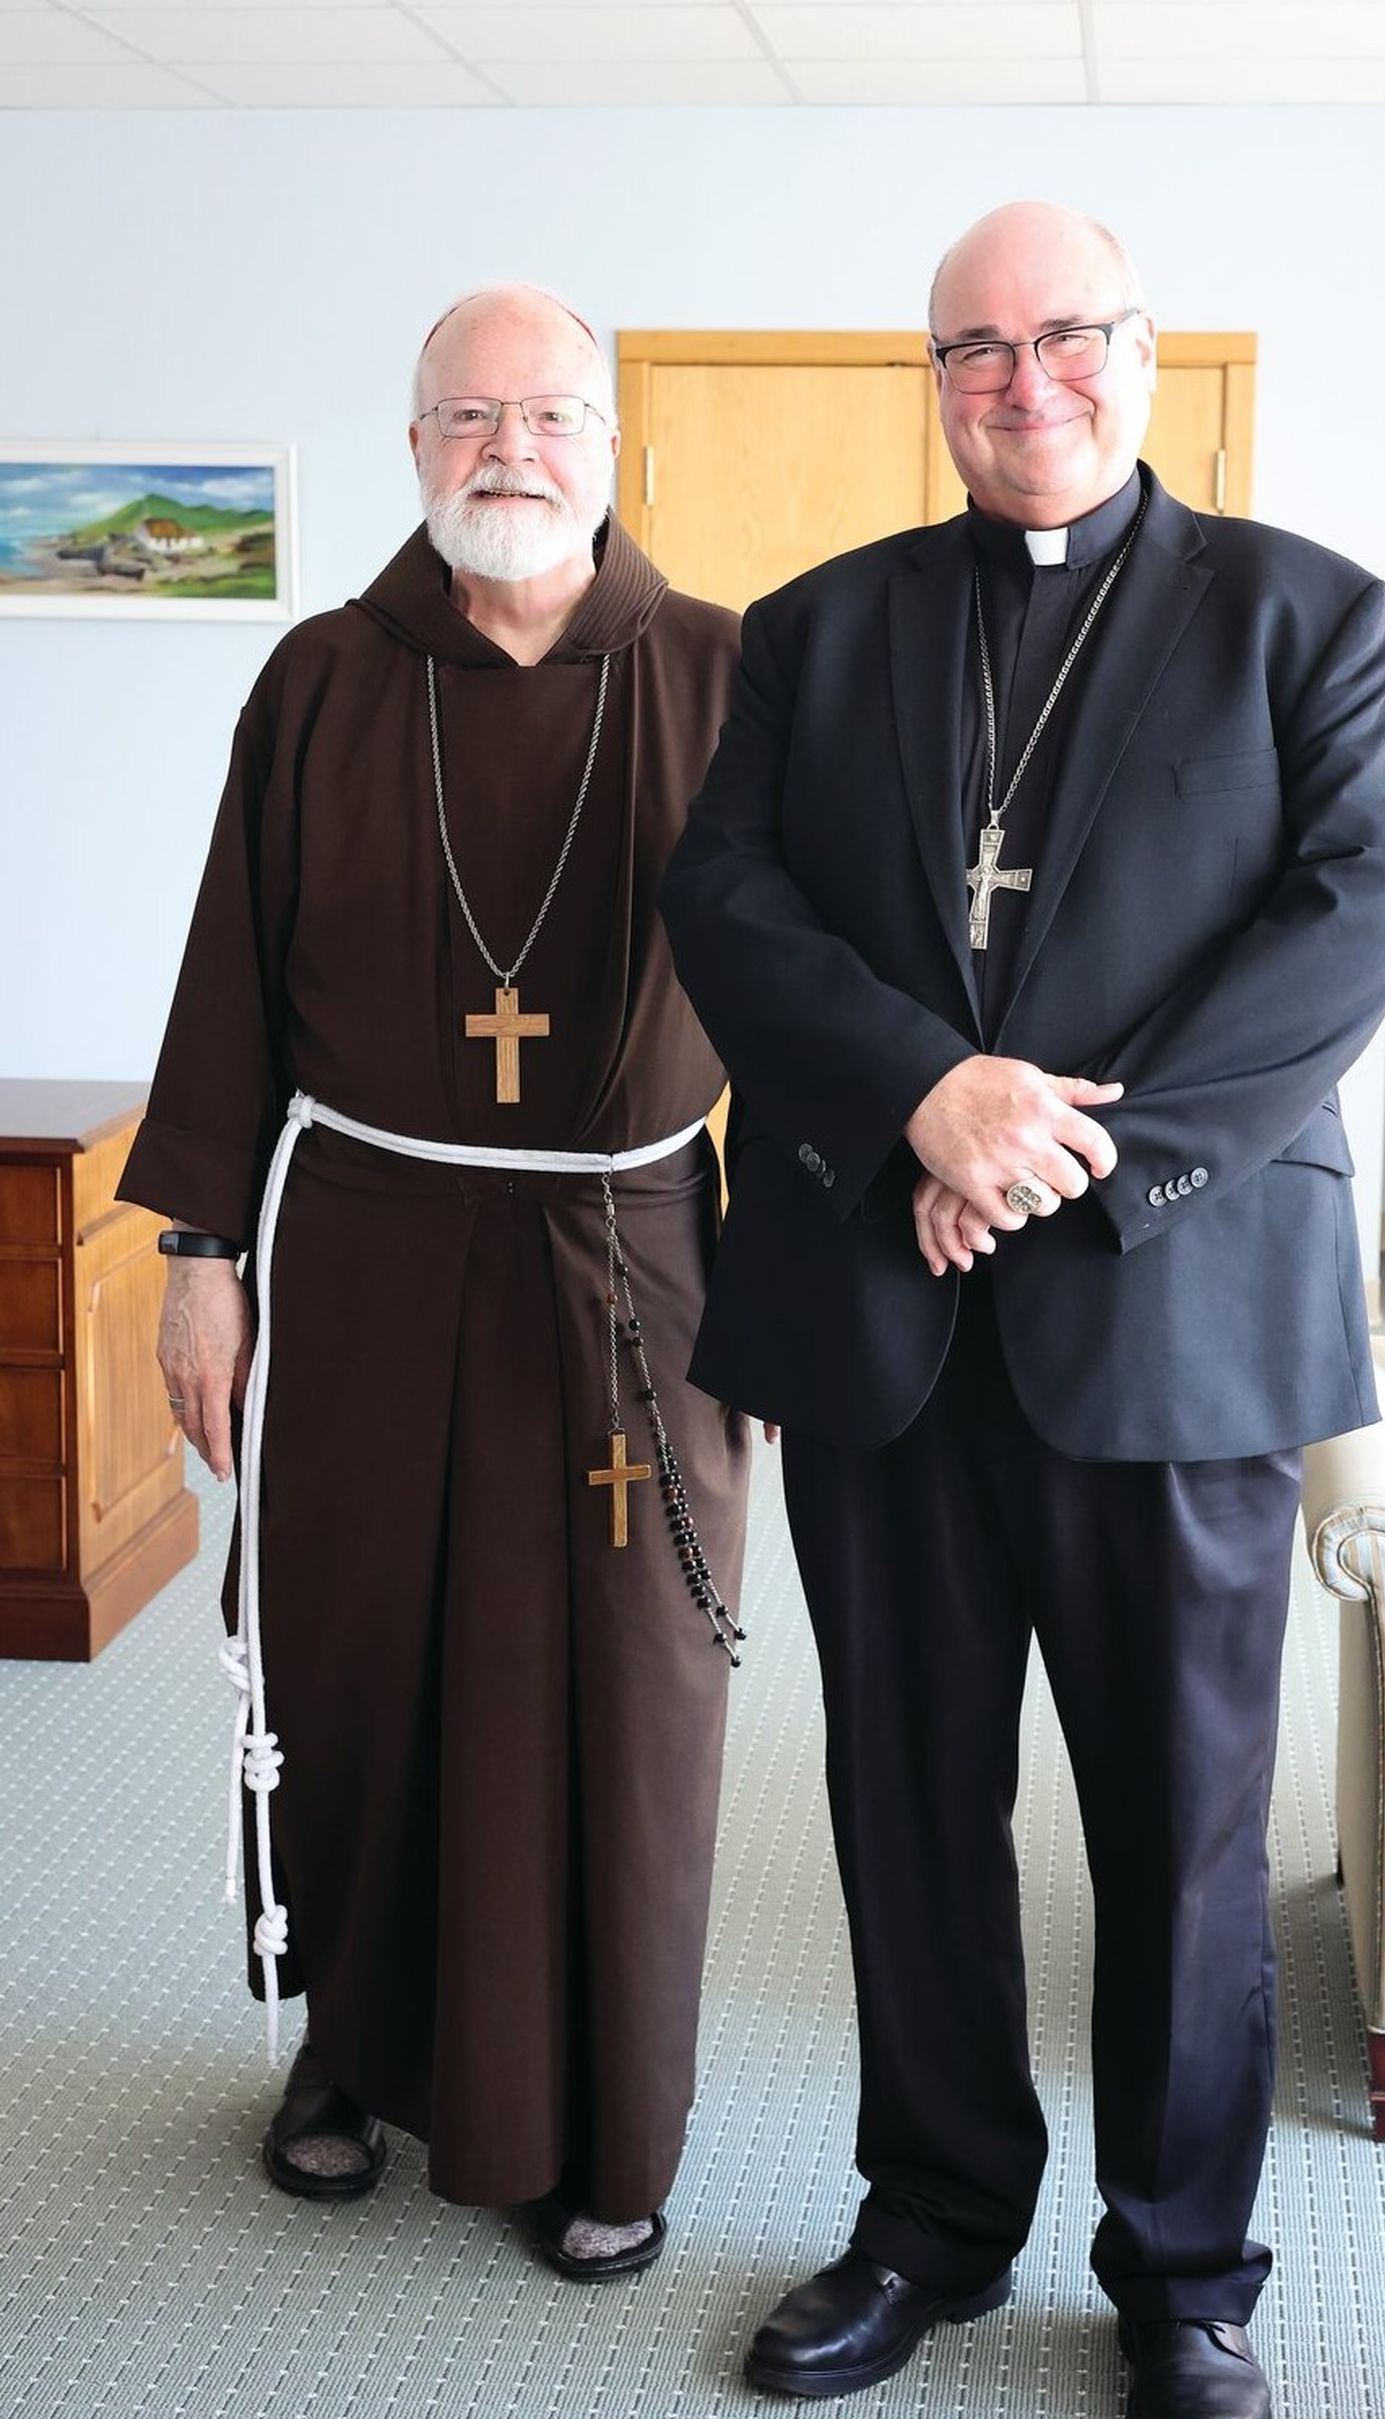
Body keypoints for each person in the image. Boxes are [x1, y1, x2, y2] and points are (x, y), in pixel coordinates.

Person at [660, 202, 1385, 2417]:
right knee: (904, 1797)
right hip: (884, 1325)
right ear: (934, 381)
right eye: (972, 351)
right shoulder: (814, 634)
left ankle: (1183, 2275)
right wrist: (925, 1097)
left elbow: (1343, 926)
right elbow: (727, 902)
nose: (1021, 383)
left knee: (1182, 1827)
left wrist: (1062, 1150)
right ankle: (928, 2224)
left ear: (1139, 349)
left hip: (1169, 1315)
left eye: (1059, 336)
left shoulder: (1304, 618)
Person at [118, 283, 750, 2278]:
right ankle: (344, 2053)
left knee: (617, 1699)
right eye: (466, 414)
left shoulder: (731, 676)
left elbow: (817, 1008)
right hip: (365, 1252)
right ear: (412, 449)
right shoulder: (318, 681)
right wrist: (202, 1259)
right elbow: (228, 975)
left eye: (549, 411)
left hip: (629, 1264)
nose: (510, 446)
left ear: (607, 439)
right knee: (362, 1665)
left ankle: (604, 2121)